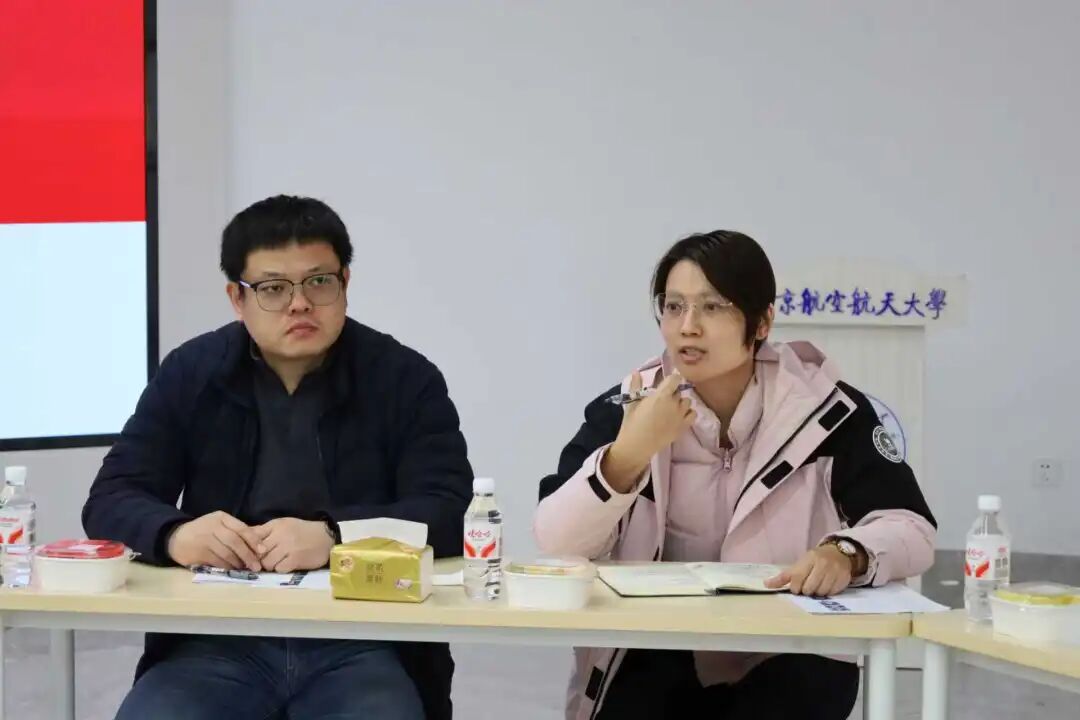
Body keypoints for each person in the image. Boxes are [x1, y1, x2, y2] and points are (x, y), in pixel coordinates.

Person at [83, 195, 473, 720]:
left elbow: (448, 508)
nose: (300, 304)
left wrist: (336, 536)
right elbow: (111, 497)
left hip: (365, 636)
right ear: (237, 298)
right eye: (273, 288)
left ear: (345, 283)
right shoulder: (192, 372)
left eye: (319, 282)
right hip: (215, 637)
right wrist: (176, 534)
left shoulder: (404, 378)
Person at [534, 230, 936, 720]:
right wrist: (628, 454)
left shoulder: (828, 412)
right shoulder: (628, 407)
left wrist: (847, 553)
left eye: (712, 307)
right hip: (657, 647)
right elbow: (556, 543)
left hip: (784, 648)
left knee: (799, 687)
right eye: (674, 306)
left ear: (762, 321)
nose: (688, 327)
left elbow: (911, 526)